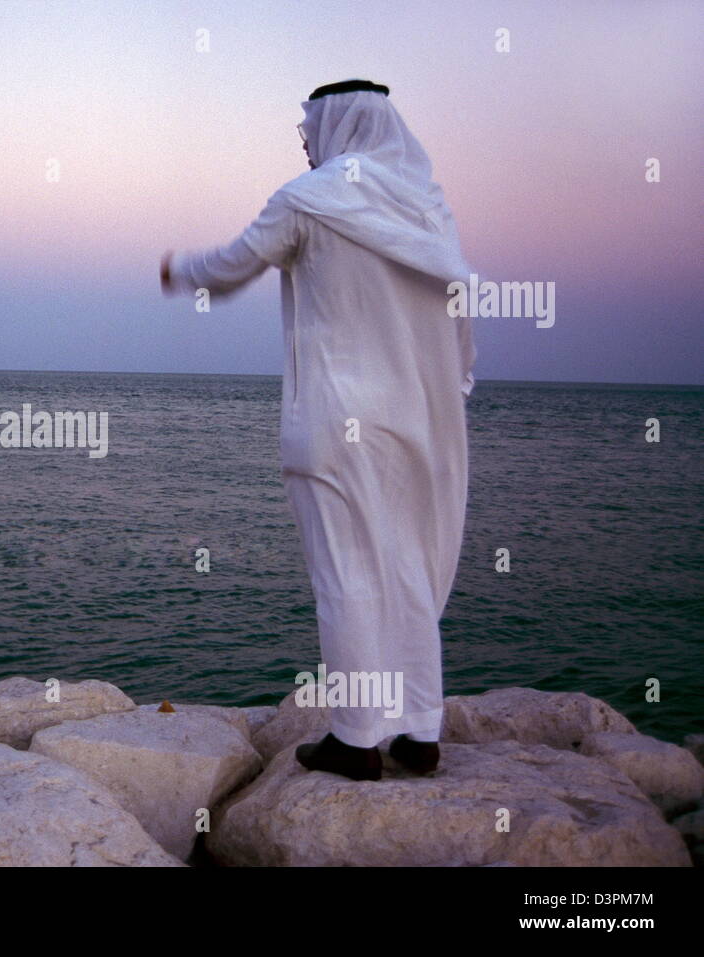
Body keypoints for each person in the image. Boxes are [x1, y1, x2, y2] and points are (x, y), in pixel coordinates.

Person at [160, 80, 476, 780]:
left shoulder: (308, 199)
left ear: (337, 123)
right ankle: (420, 730)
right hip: (413, 421)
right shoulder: (426, 207)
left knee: (346, 574)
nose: (303, 141)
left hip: (334, 418)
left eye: (308, 128)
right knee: (407, 568)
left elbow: (232, 265)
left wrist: (177, 269)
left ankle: (357, 737)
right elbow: (458, 314)